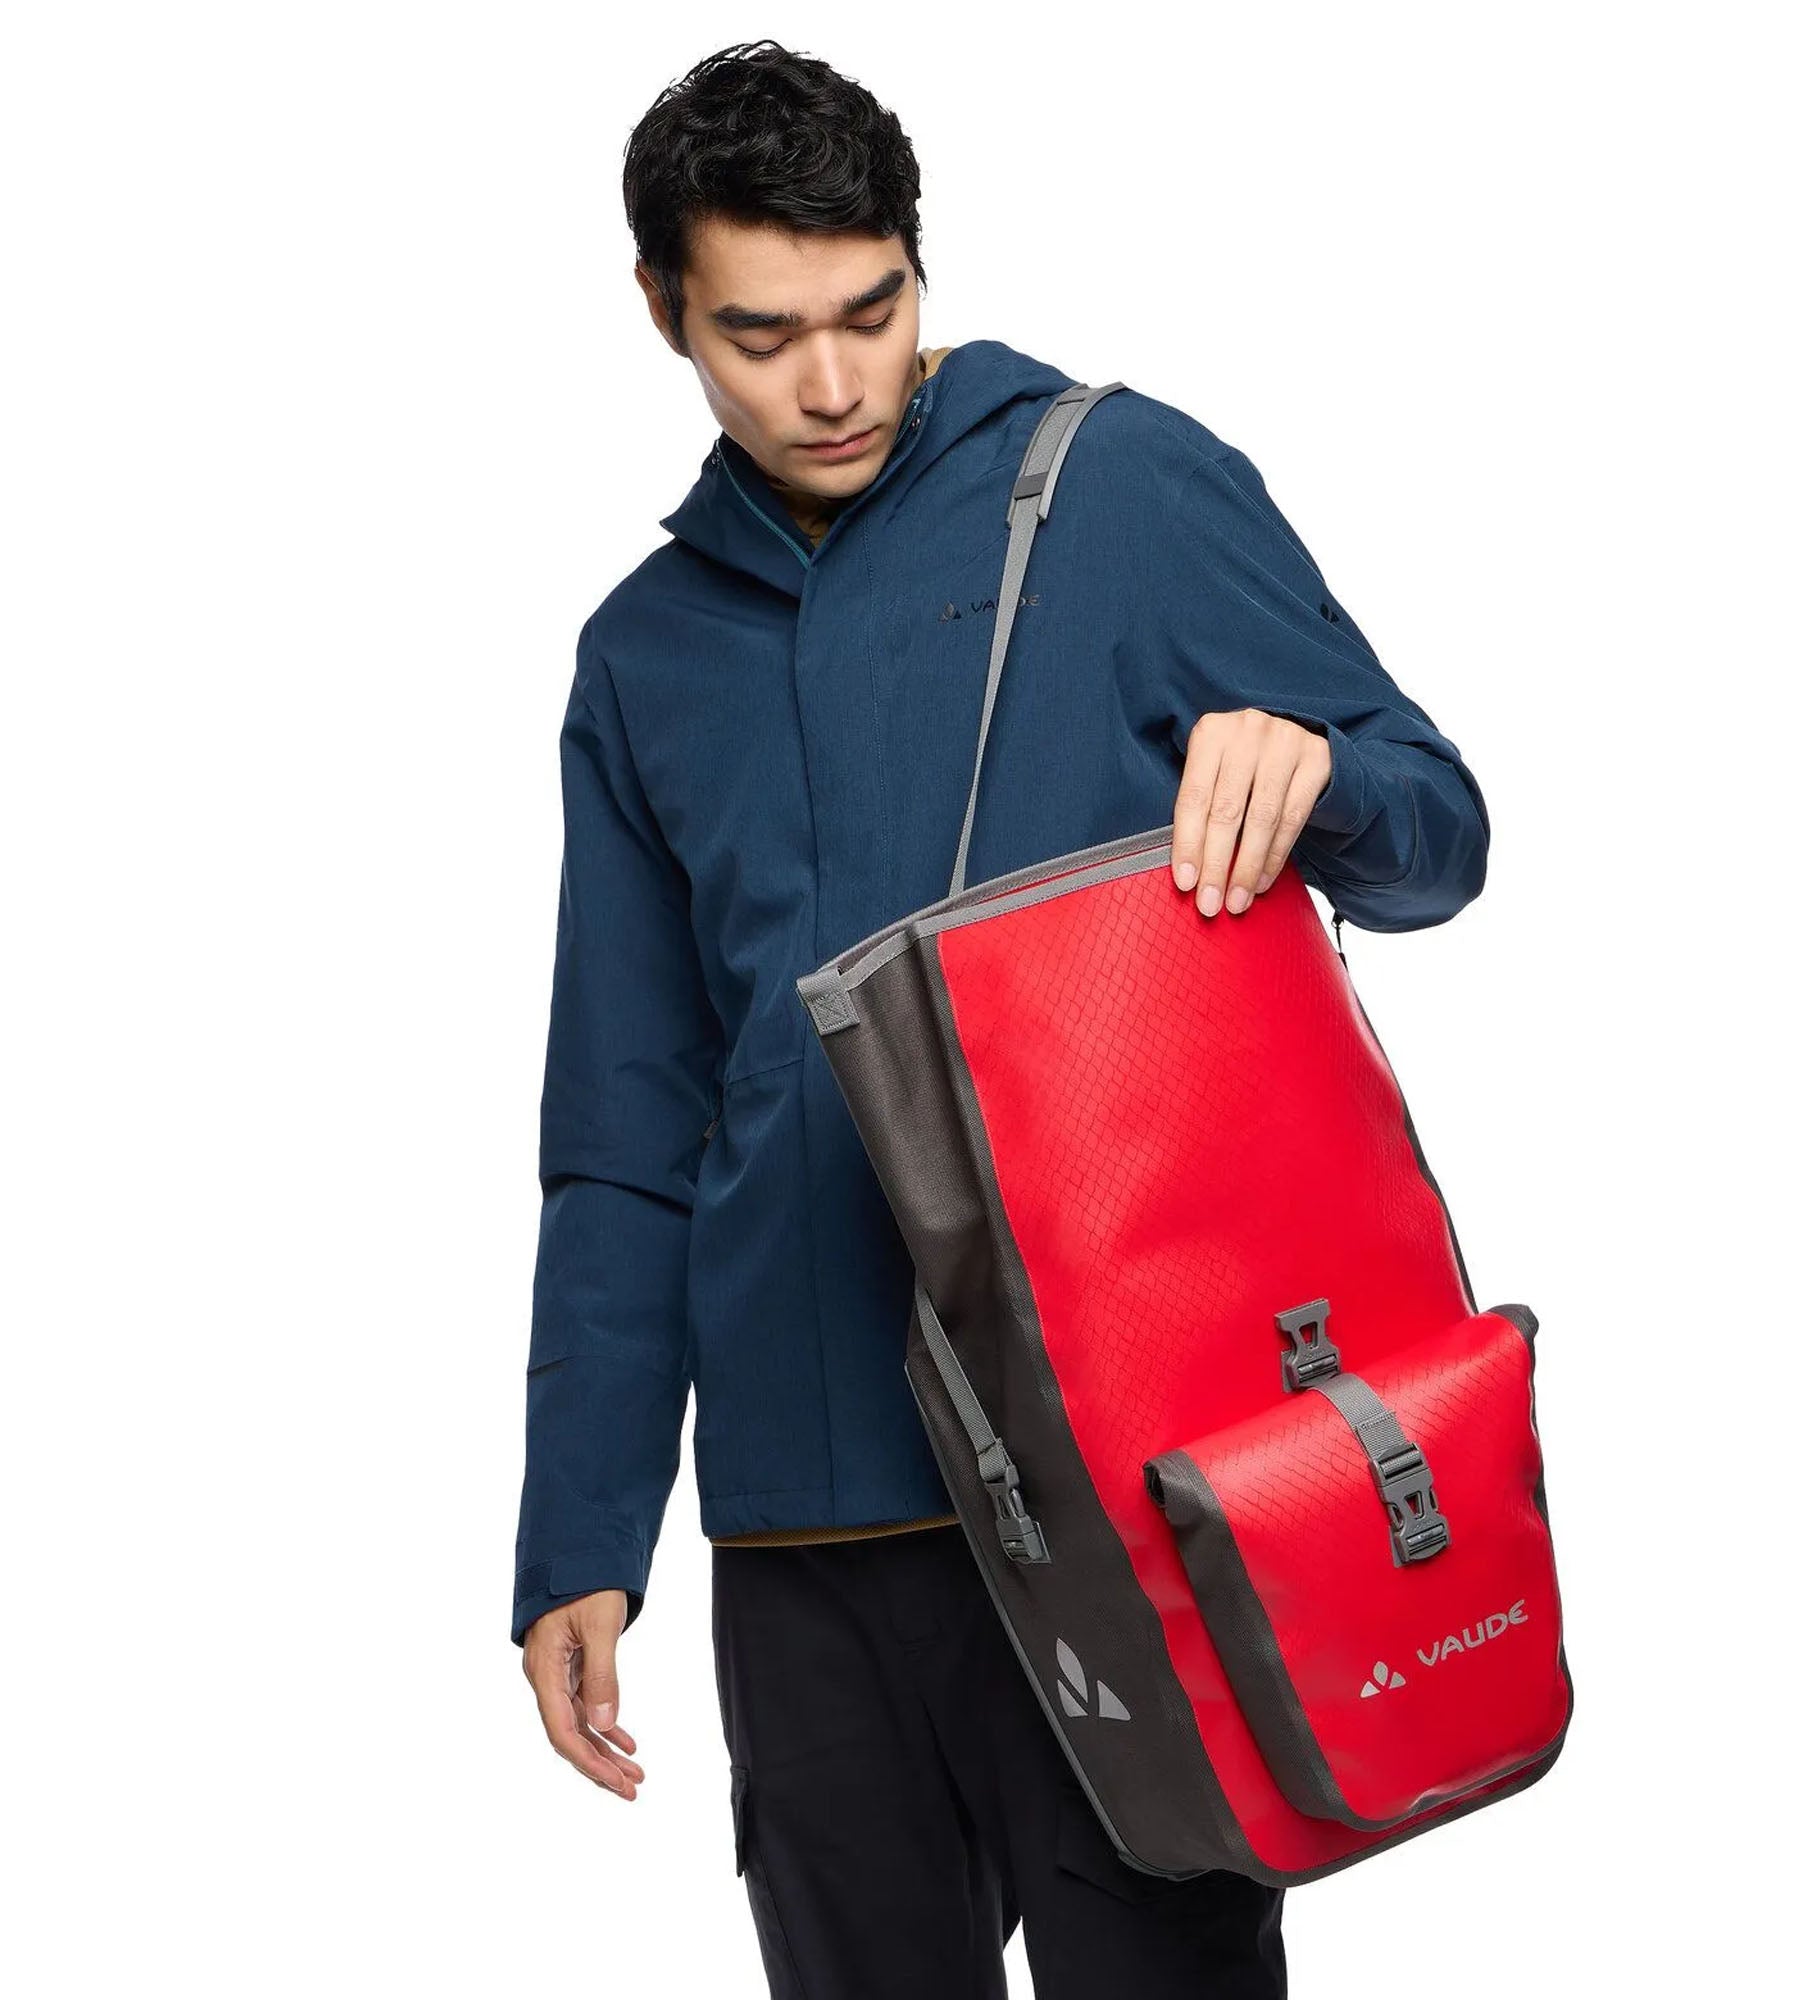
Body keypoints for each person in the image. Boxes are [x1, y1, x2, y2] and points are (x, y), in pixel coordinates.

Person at [512, 38, 1489, 1999]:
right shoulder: (642, 654)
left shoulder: (1116, 487)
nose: (831, 382)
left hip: (1120, 1486)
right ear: (662, 312)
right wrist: (580, 1530)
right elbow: (626, 1129)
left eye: (871, 311)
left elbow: (1438, 832)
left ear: (918, 267)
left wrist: (1317, 771)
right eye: (762, 333)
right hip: (802, 1531)